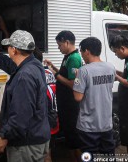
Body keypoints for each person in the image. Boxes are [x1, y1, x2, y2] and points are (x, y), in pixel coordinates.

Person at [0, 30, 50, 162]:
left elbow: (21, 113)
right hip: (37, 134)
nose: (7, 50)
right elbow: (15, 69)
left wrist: (3, 136)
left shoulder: (24, 76)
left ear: (14, 50)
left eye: (8, 47)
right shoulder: (35, 65)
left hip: (26, 144)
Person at [73, 37, 116, 156]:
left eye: (81, 52)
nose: (81, 55)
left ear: (87, 51)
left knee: (88, 155)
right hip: (106, 123)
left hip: (88, 125)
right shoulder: (111, 67)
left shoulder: (83, 71)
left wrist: (77, 77)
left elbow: (78, 97)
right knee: (107, 154)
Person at [44, 30, 82, 162]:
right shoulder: (68, 57)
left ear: (67, 42)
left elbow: (73, 84)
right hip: (64, 105)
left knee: (73, 138)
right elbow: (64, 74)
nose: (59, 48)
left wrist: (55, 76)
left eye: (59, 45)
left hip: (70, 105)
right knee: (69, 138)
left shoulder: (74, 58)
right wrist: (52, 66)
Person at [34, 47, 59, 162]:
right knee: (48, 151)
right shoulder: (50, 72)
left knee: (40, 154)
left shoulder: (33, 73)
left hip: (41, 120)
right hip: (53, 116)